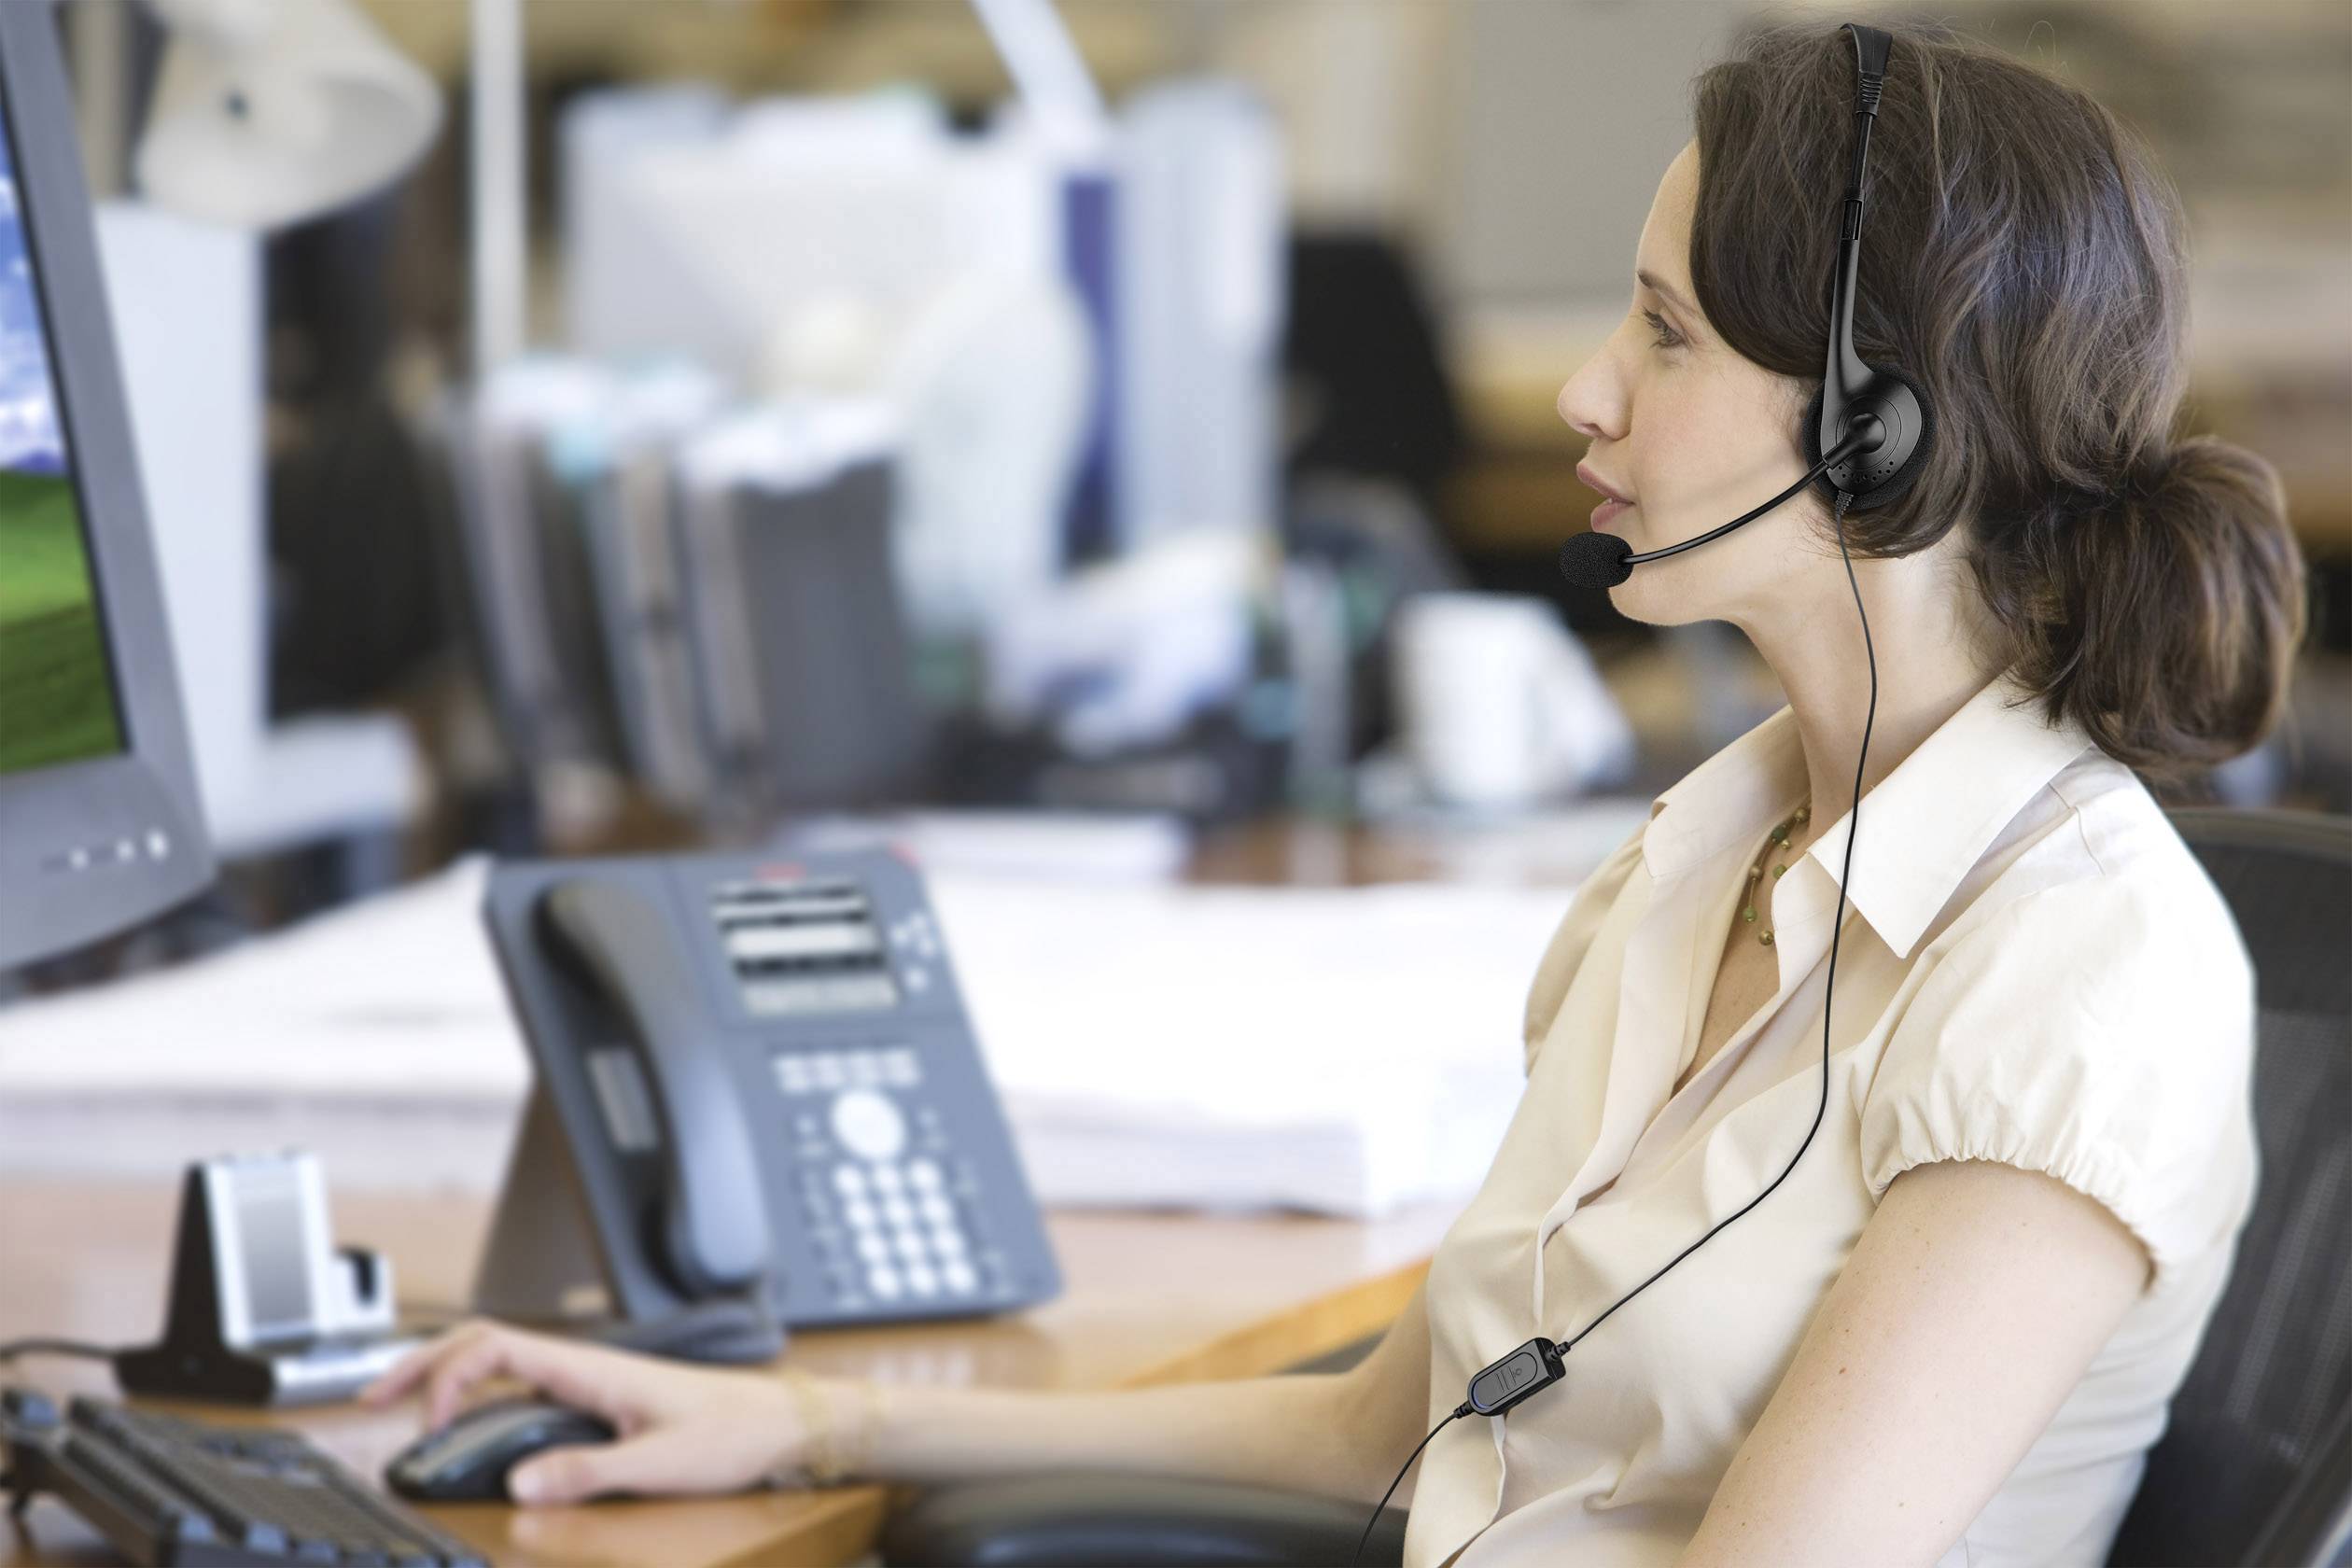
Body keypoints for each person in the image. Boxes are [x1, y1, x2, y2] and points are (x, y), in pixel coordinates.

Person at [363, 17, 2308, 1567]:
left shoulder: (2075, 978)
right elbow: (1384, 1433)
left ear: (1878, 430)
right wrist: (801, 1419)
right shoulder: (1697, 859)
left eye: (1667, 333)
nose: (1584, 396)